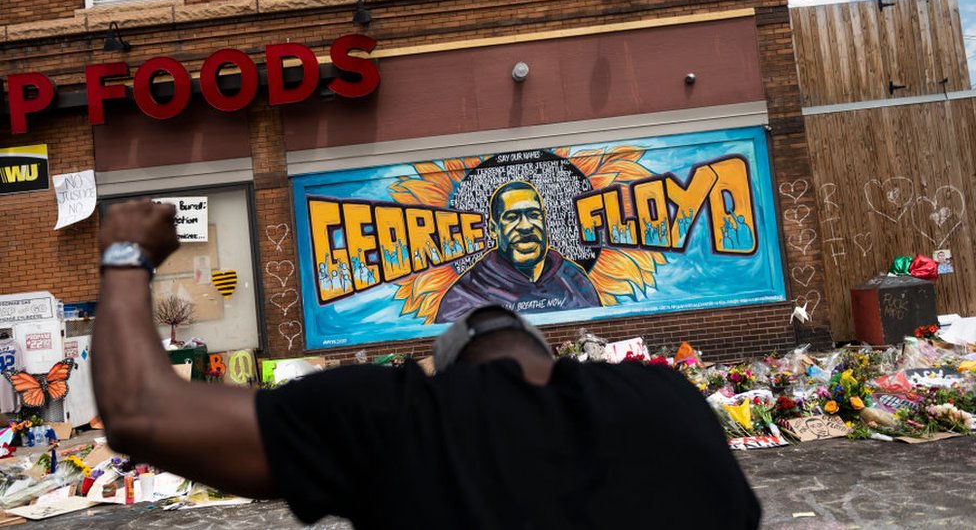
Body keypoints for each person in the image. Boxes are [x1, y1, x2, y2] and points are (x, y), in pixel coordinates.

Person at [93, 200, 761, 529]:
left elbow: (139, 410)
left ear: (452, 374)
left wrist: (127, 254)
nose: (527, 230)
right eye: (515, 219)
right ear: (549, 356)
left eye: (537, 217)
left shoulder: (400, 419)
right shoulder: (664, 400)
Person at [435, 181, 600, 323]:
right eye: (512, 217)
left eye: (533, 215)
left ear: (544, 220)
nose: (526, 226)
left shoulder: (574, 280)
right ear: (493, 229)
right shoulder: (466, 292)